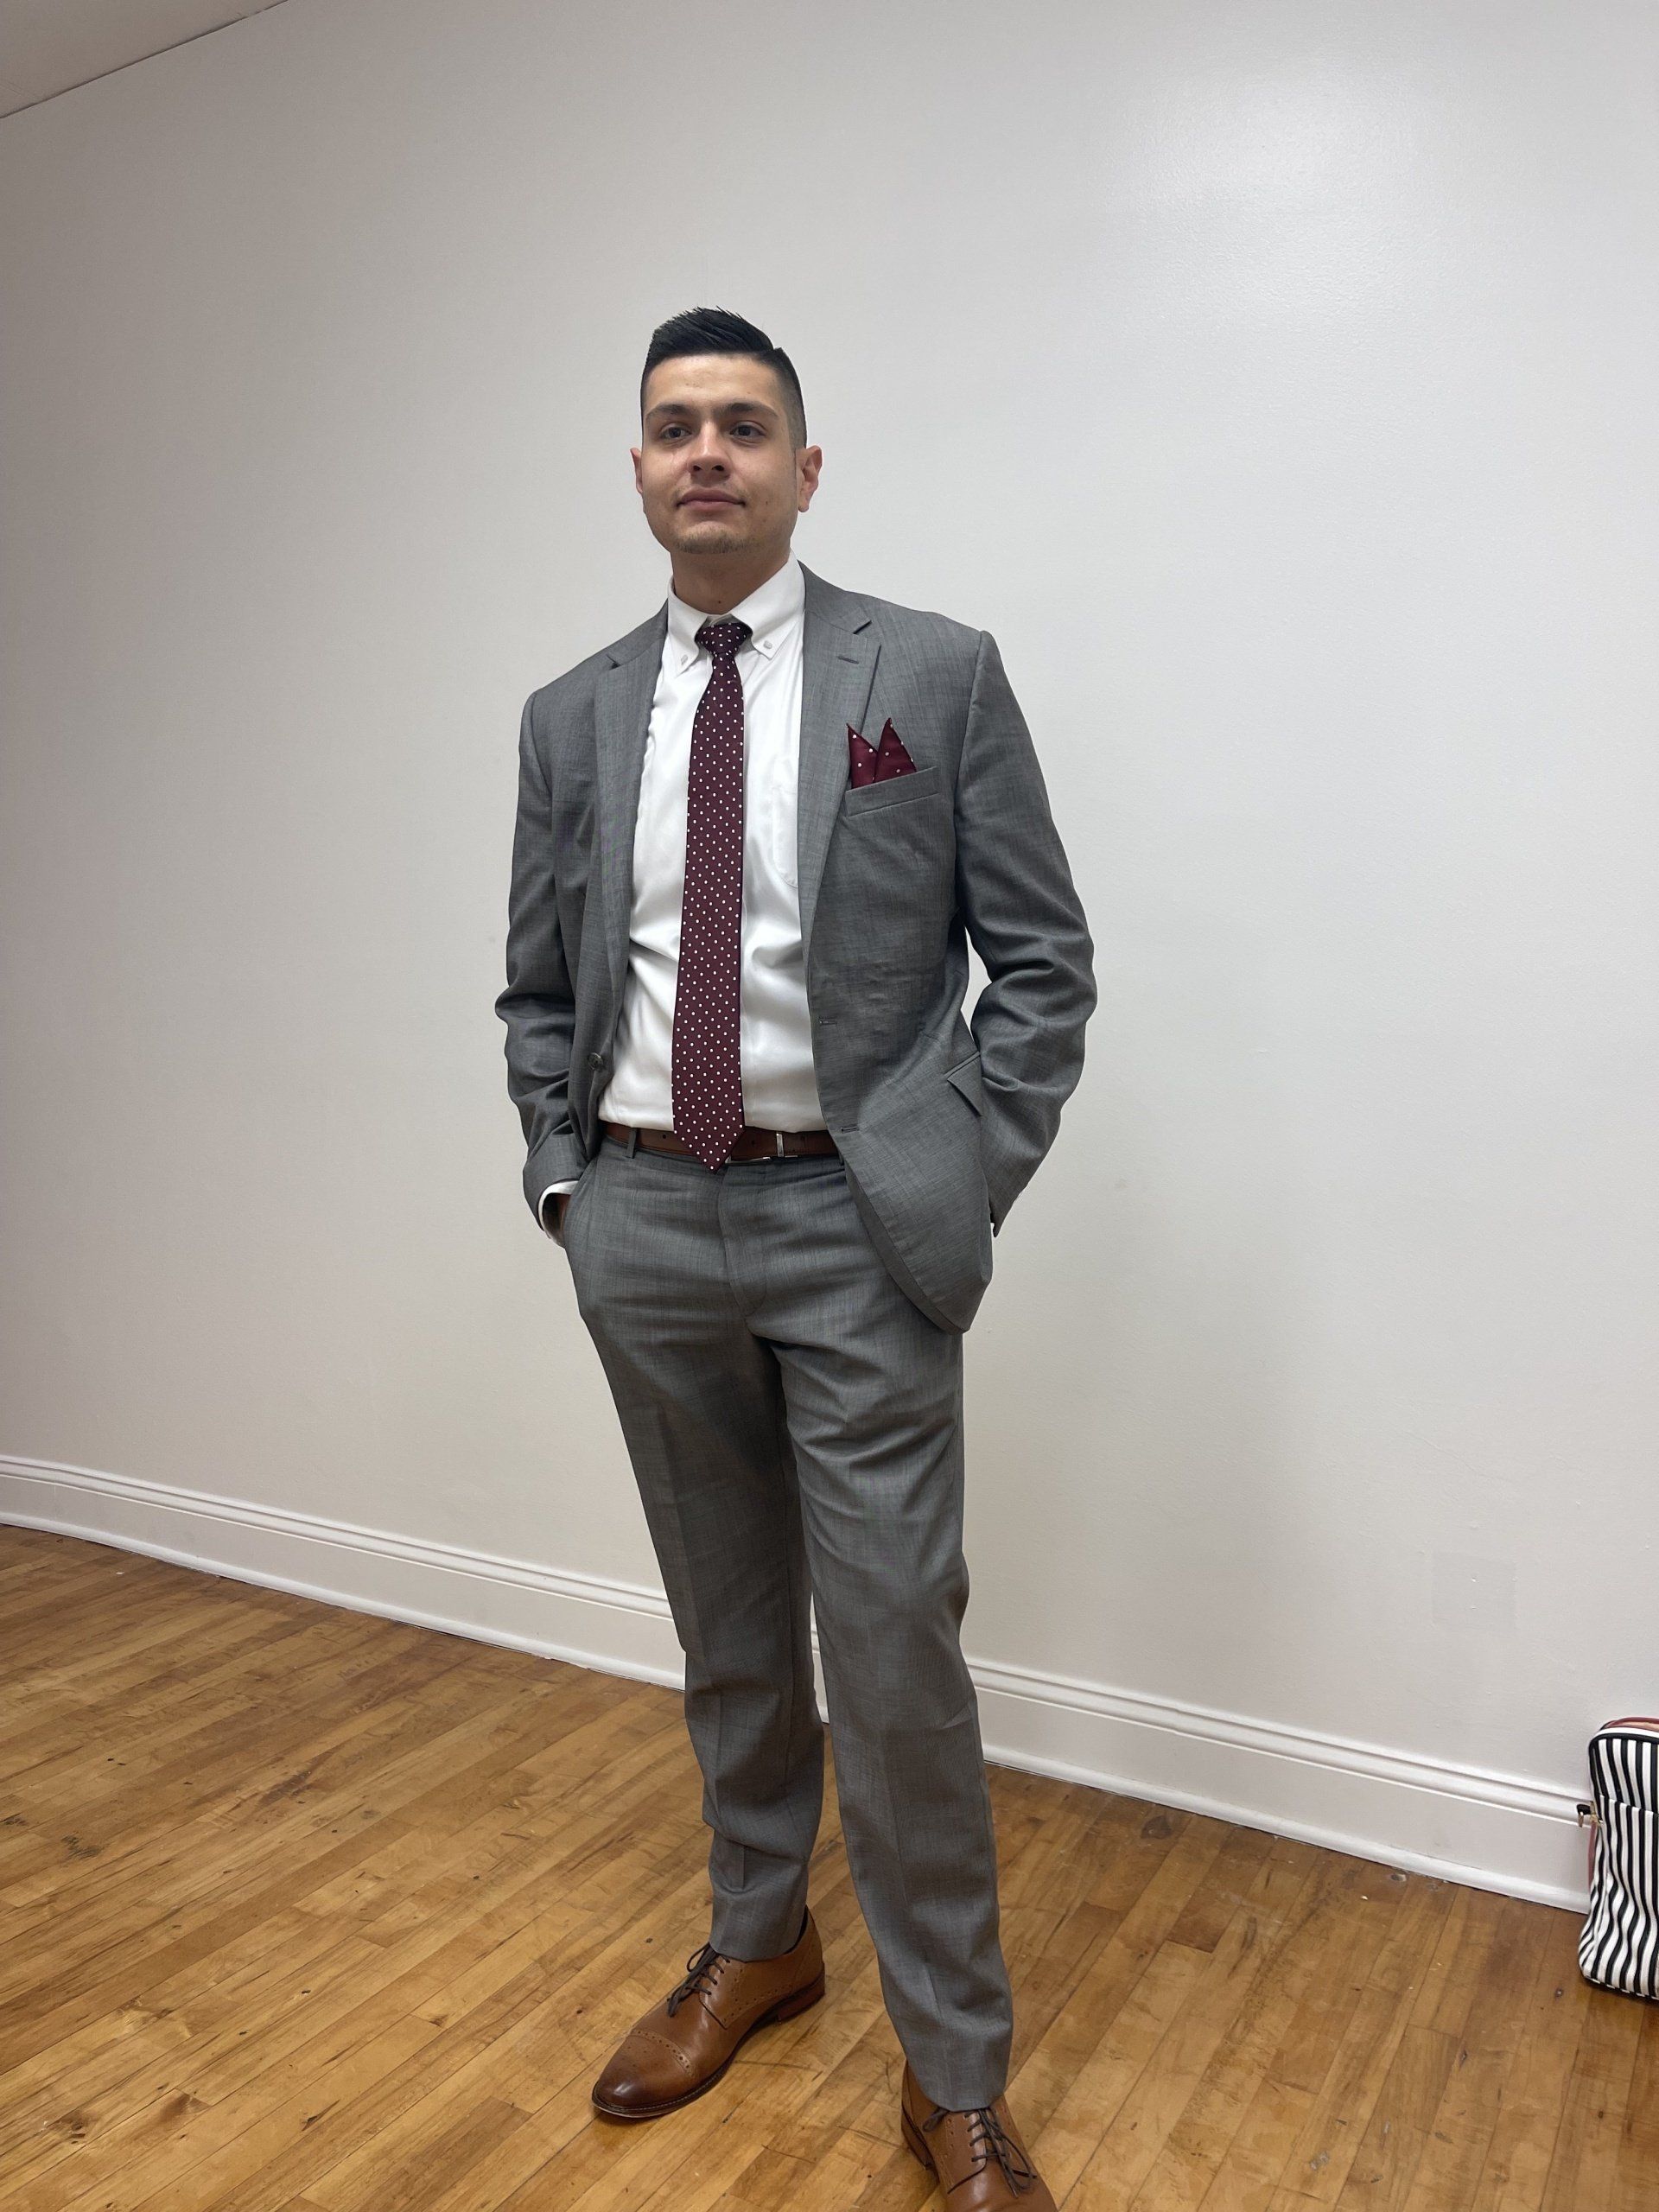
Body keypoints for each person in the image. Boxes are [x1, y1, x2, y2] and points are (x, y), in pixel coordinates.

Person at [495, 304, 1095, 2209]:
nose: (707, 453)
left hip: (859, 1224)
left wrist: (958, 1175)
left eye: (745, 424)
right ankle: (762, 1936)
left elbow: (1044, 965)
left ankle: (955, 2074)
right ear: (641, 466)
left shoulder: (934, 672)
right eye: (674, 425)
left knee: (896, 1649)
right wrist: (567, 1179)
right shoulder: (574, 711)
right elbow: (537, 981)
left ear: (805, 467)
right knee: (729, 1632)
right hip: (651, 1213)